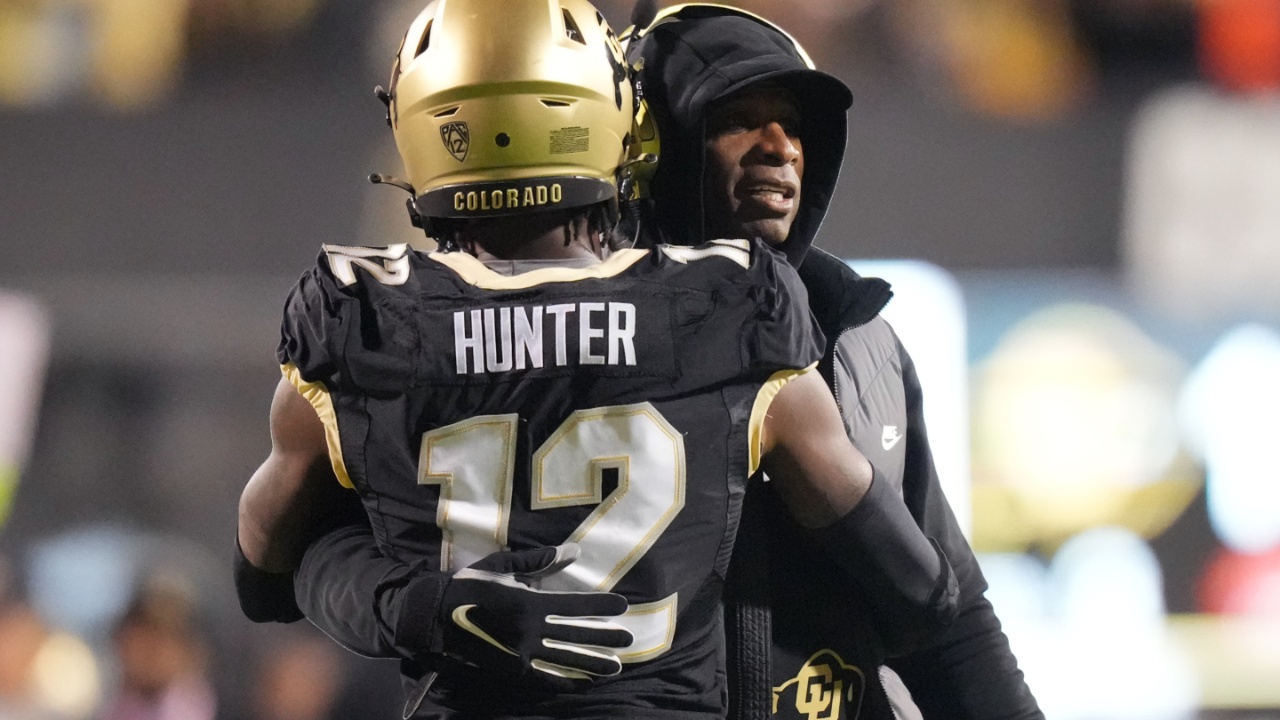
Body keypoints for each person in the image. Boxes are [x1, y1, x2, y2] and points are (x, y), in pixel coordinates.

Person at [234, 1, 958, 718]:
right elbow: (917, 589)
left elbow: (265, 576)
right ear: (617, 117)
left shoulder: (360, 318)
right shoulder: (732, 302)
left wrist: (414, 603)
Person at [622, 5, 1043, 720]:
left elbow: (950, 623)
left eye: (792, 122)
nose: (779, 146)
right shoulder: (585, 352)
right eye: (737, 118)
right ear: (655, 147)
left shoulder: (863, 345)